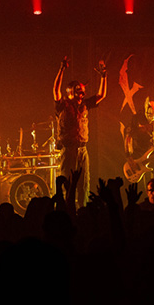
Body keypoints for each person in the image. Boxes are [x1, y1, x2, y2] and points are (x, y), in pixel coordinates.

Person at [53, 56, 107, 206]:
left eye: (83, 93)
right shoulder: (63, 105)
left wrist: (103, 77)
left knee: (84, 184)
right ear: (71, 92)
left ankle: (83, 210)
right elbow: (56, 90)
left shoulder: (85, 105)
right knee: (67, 184)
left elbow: (101, 95)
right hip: (68, 149)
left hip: (83, 150)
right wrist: (62, 69)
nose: (82, 95)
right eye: (79, 92)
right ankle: (66, 211)